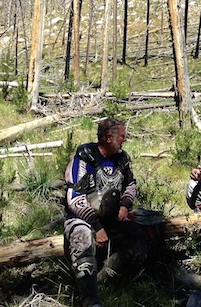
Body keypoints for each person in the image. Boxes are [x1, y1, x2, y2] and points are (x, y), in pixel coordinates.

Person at [64, 118, 148, 307]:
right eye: (122, 137)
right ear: (109, 138)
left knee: (139, 241)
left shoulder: (122, 159)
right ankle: (89, 299)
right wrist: (97, 227)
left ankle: (104, 278)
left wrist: (125, 205)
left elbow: (131, 184)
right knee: (83, 237)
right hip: (83, 219)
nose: (124, 140)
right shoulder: (85, 158)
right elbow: (74, 198)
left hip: (111, 218)